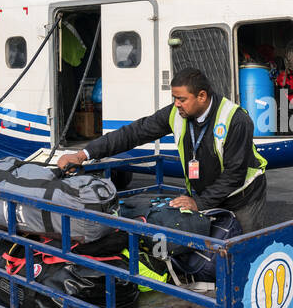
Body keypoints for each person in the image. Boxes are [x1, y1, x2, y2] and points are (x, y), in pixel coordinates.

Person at [56, 67, 269, 231]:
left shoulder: (235, 120)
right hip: (205, 194)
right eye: (174, 98)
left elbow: (235, 174)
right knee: (212, 250)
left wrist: (198, 202)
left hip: (242, 197)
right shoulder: (177, 112)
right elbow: (133, 133)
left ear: (202, 96)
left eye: (182, 99)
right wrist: (83, 154)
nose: (176, 104)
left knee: (244, 255)